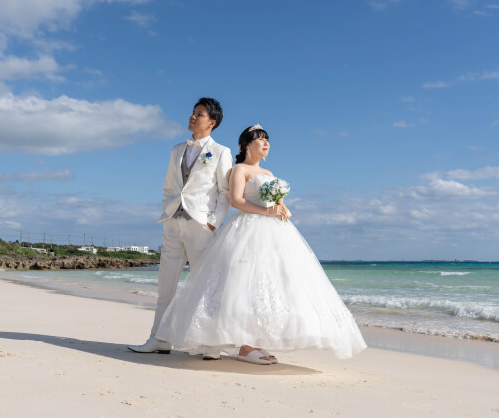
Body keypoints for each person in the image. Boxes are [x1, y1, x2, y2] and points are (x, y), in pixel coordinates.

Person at [155, 125, 366, 364]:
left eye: (267, 139)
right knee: (244, 283)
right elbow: (236, 201)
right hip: (247, 230)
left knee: (272, 283)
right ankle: (244, 346)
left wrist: (283, 209)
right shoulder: (239, 170)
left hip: (275, 233)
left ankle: (257, 341)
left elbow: (278, 202)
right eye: (261, 139)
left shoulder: (269, 171)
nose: (266, 143)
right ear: (247, 145)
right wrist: (266, 211)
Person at [128, 98, 233, 356]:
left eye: (199, 114)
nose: (193, 117)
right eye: (193, 113)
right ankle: (159, 339)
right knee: (166, 285)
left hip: (201, 226)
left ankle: (211, 344)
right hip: (173, 223)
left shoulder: (221, 152)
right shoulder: (176, 149)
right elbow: (169, 186)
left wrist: (213, 222)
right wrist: (167, 213)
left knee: (206, 286)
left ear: (212, 122)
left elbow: (225, 192)